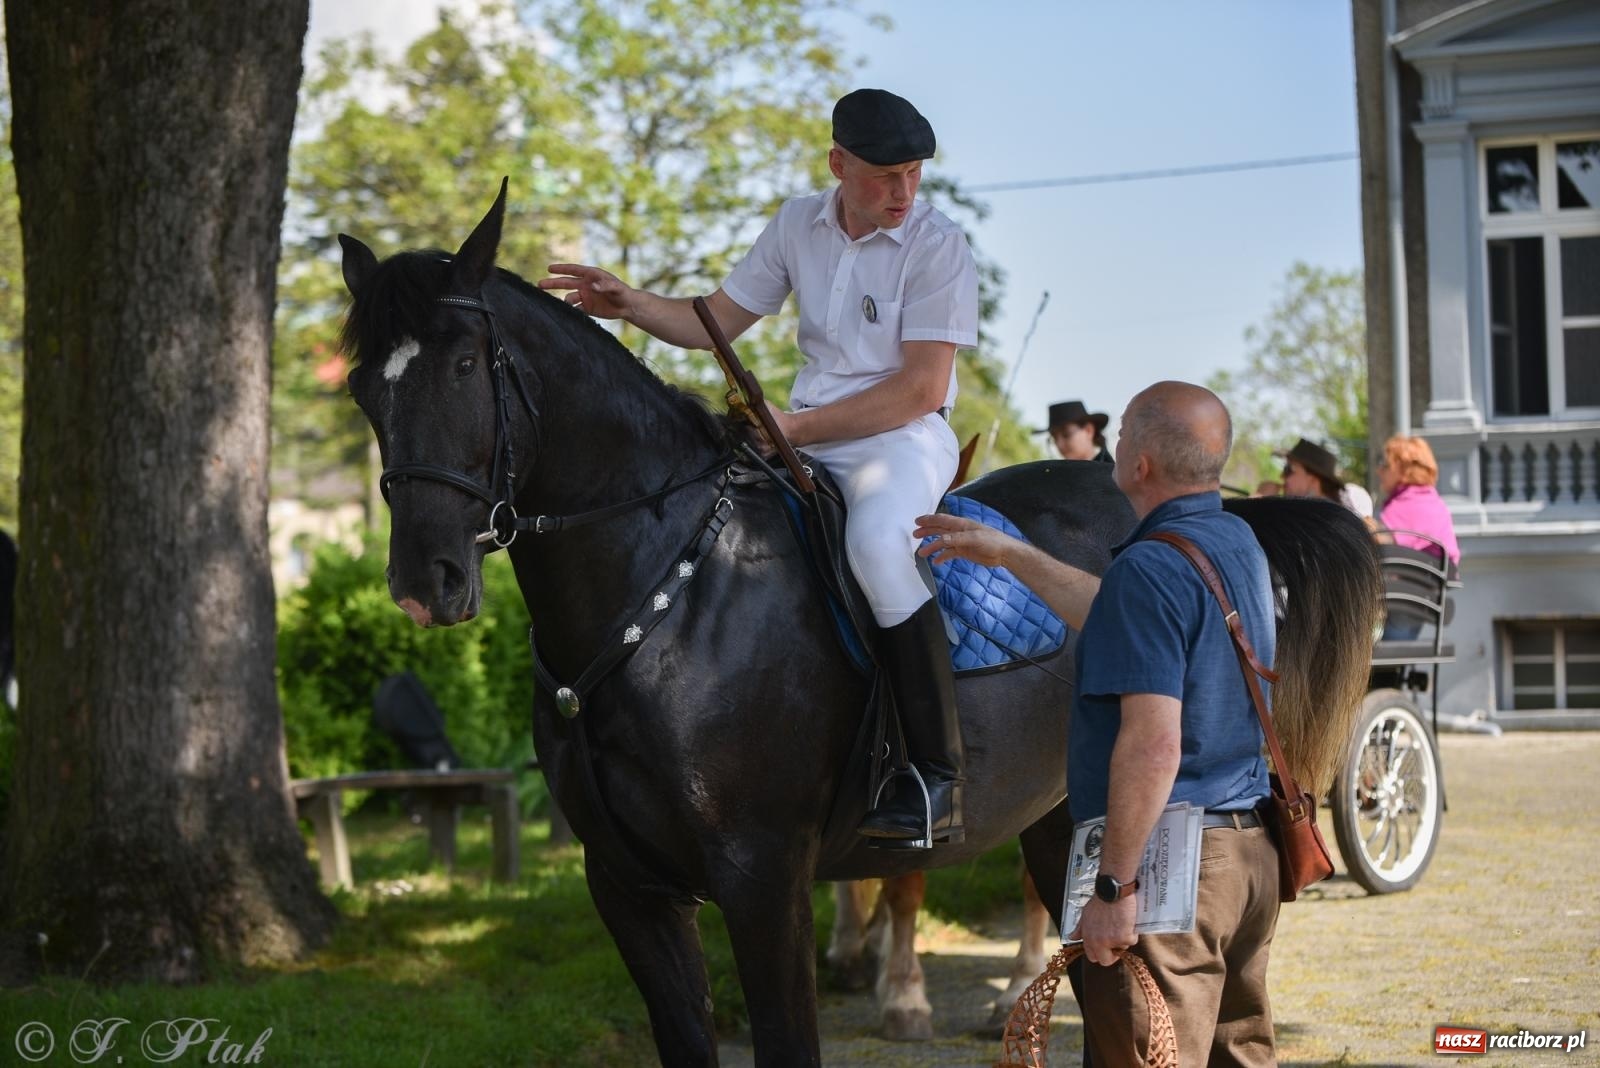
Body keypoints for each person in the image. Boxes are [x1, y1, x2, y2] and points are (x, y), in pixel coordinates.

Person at [538, 88, 978, 845]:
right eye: (884, 175)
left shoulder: (940, 246)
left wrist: (796, 426)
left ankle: (937, 780)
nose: (903, 192)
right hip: (799, 432)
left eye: (913, 174)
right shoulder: (795, 224)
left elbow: (922, 388)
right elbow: (713, 319)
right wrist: (629, 303)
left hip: (902, 437)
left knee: (877, 543)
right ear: (838, 162)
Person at [916, 381, 1281, 1067]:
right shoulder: (1232, 540)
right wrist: (1012, 556)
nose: (1111, 449)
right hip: (1245, 859)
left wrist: (1114, 888)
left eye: (1121, 439)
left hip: (1171, 870)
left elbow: (1152, 744)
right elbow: (1124, 609)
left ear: (1139, 463)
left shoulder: (1150, 567)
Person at [1377, 435, 1459, 565]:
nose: (1379, 471)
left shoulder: (1401, 506)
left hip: (1403, 583)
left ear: (1404, 469)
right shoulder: (1437, 504)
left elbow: (1378, 548)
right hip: (1435, 583)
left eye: (1385, 465)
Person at [1040, 400, 1112, 463]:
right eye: (1054, 438)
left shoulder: (1115, 475)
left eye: (1066, 434)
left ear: (1088, 430)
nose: (1059, 444)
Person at [1277, 437, 1343, 502]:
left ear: (1314, 479)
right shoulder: (1328, 509)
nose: (1282, 476)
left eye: (1289, 469)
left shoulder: (1314, 511)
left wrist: (1268, 504)